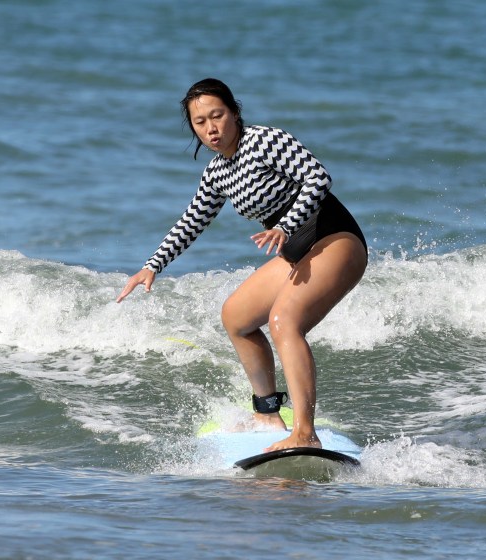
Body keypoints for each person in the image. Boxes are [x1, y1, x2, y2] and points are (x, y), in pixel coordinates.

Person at [117, 78, 367, 452]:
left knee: (285, 320)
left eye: (217, 116)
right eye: (200, 123)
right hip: (297, 250)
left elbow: (319, 177)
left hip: (335, 239)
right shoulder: (218, 172)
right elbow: (192, 221)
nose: (211, 128)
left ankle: (304, 433)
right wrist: (152, 266)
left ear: (235, 112)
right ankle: (267, 414)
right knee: (236, 317)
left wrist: (285, 225)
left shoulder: (265, 141)